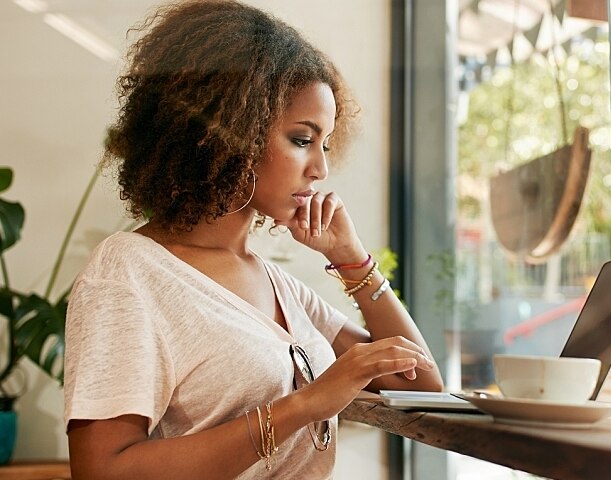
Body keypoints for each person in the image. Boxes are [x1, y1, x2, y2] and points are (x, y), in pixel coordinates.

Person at [62, 1, 443, 478]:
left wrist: (353, 261)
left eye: (325, 144)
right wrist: (305, 404)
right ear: (230, 132)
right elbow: (102, 471)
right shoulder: (129, 272)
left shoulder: (279, 286)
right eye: (302, 139)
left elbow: (421, 385)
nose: (321, 169)